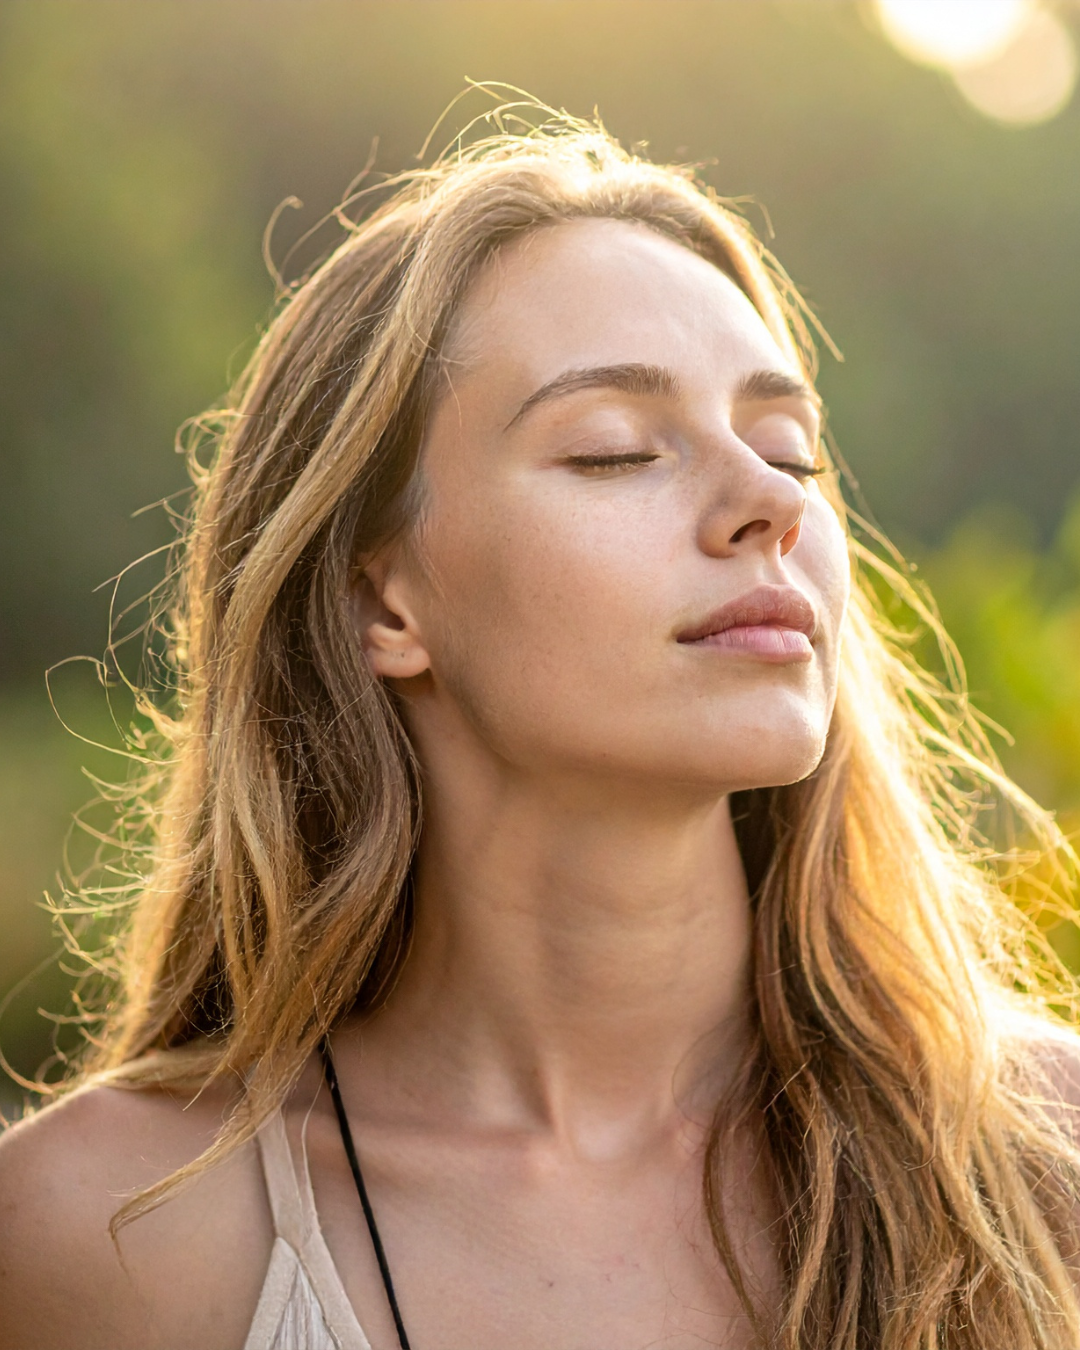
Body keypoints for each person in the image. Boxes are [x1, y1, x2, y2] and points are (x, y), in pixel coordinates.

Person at [2, 105, 1080, 1350]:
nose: (769, 502)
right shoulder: (110, 1234)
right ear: (379, 601)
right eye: (618, 452)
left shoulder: (1045, 1166)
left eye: (790, 448)